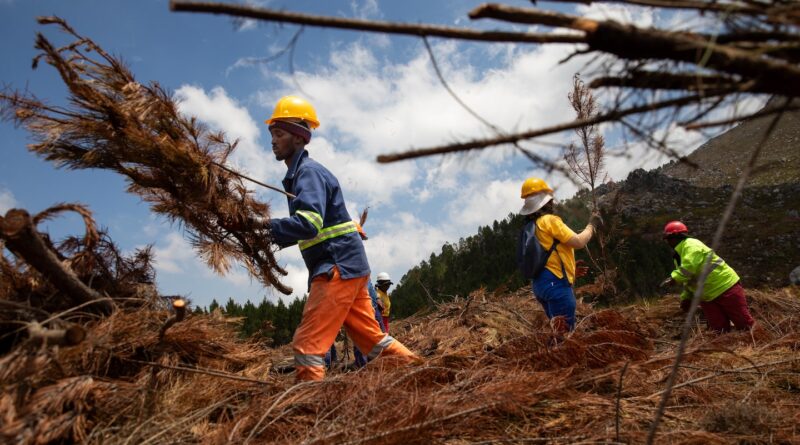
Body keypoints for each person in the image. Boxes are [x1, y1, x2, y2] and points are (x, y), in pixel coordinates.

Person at [266, 95, 417, 381]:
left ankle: (307, 412)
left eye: (279, 133)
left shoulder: (307, 174)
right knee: (373, 341)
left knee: (308, 344)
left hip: (336, 267)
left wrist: (267, 229)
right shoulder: (303, 174)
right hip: (350, 266)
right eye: (272, 134)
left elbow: (309, 224)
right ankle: (426, 371)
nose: (273, 141)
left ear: (298, 138)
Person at [517, 177, 602, 333]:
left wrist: (570, 270)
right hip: (556, 285)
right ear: (546, 201)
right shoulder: (549, 220)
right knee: (564, 337)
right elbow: (578, 242)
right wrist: (592, 225)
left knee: (558, 332)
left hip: (540, 286)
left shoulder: (531, 226)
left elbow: (547, 257)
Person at [660, 221, 755, 333]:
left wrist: (673, 278)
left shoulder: (691, 245)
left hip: (725, 287)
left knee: (744, 323)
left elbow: (688, 268)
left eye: (668, 239)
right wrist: (686, 297)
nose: (667, 242)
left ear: (674, 237)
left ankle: (757, 345)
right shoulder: (679, 254)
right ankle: (727, 349)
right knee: (718, 329)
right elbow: (689, 280)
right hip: (707, 296)